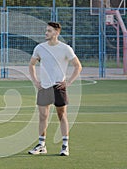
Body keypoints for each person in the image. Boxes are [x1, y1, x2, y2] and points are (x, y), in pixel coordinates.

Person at [28, 22, 82, 156]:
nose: (46, 33)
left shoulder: (65, 49)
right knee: (43, 116)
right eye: (46, 31)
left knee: (61, 115)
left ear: (56, 33)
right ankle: (41, 145)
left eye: (49, 31)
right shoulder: (40, 48)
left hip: (58, 87)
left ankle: (65, 146)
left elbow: (78, 66)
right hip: (44, 87)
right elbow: (31, 65)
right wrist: (35, 81)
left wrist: (68, 82)